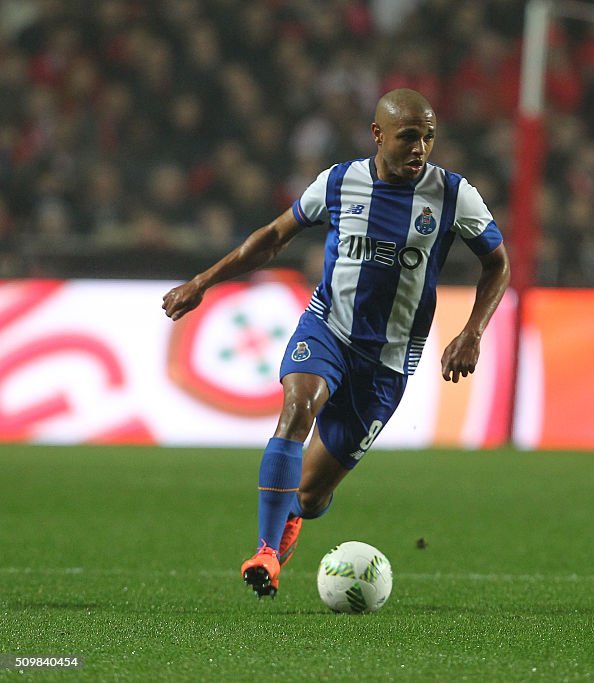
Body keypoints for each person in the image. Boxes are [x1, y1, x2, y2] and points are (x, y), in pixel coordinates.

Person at [162, 88, 510, 598]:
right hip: (328, 327)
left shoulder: (454, 195)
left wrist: (472, 331)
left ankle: (296, 515)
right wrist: (203, 280)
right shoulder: (340, 182)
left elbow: (498, 264)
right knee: (298, 407)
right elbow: (273, 236)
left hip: (389, 360)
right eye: (409, 136)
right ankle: (265, 550)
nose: (420, 148)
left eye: (429, 138)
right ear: (378, 134)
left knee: (310, 493)